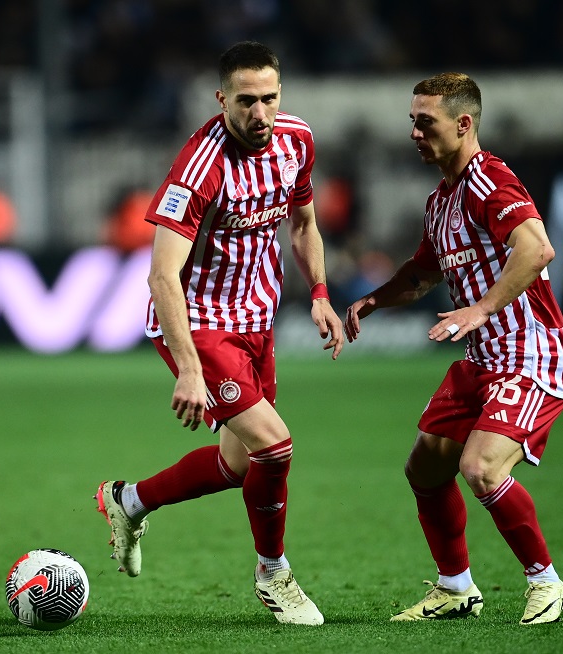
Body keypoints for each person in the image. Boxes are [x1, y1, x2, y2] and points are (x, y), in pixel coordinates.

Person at [95, 41, 343, 626]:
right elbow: (162, 275)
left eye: (270, 99)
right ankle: (273, 574)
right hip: (200, 322)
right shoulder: (199, 168)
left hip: (256, 320)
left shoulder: (297, 140)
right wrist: (188, 367)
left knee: (240, 465)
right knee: (275, 446)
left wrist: (320, 292)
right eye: (246, 101)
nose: (260, 113)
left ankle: (128, 500)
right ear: (222, 100)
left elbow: (304, 223)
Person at [344, 72, 563, 625]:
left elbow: (536, 249)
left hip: (530, 354)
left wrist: (481, 309)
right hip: (482, 361)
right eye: (412, 122)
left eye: (426, 123)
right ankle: (456, 589)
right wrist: (373, 300)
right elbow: (423, 274)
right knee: (425, 468)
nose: (415, 133)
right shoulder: (441, 200)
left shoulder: (490, 180)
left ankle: (547, 584)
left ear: (463, 123)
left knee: (481, 467)